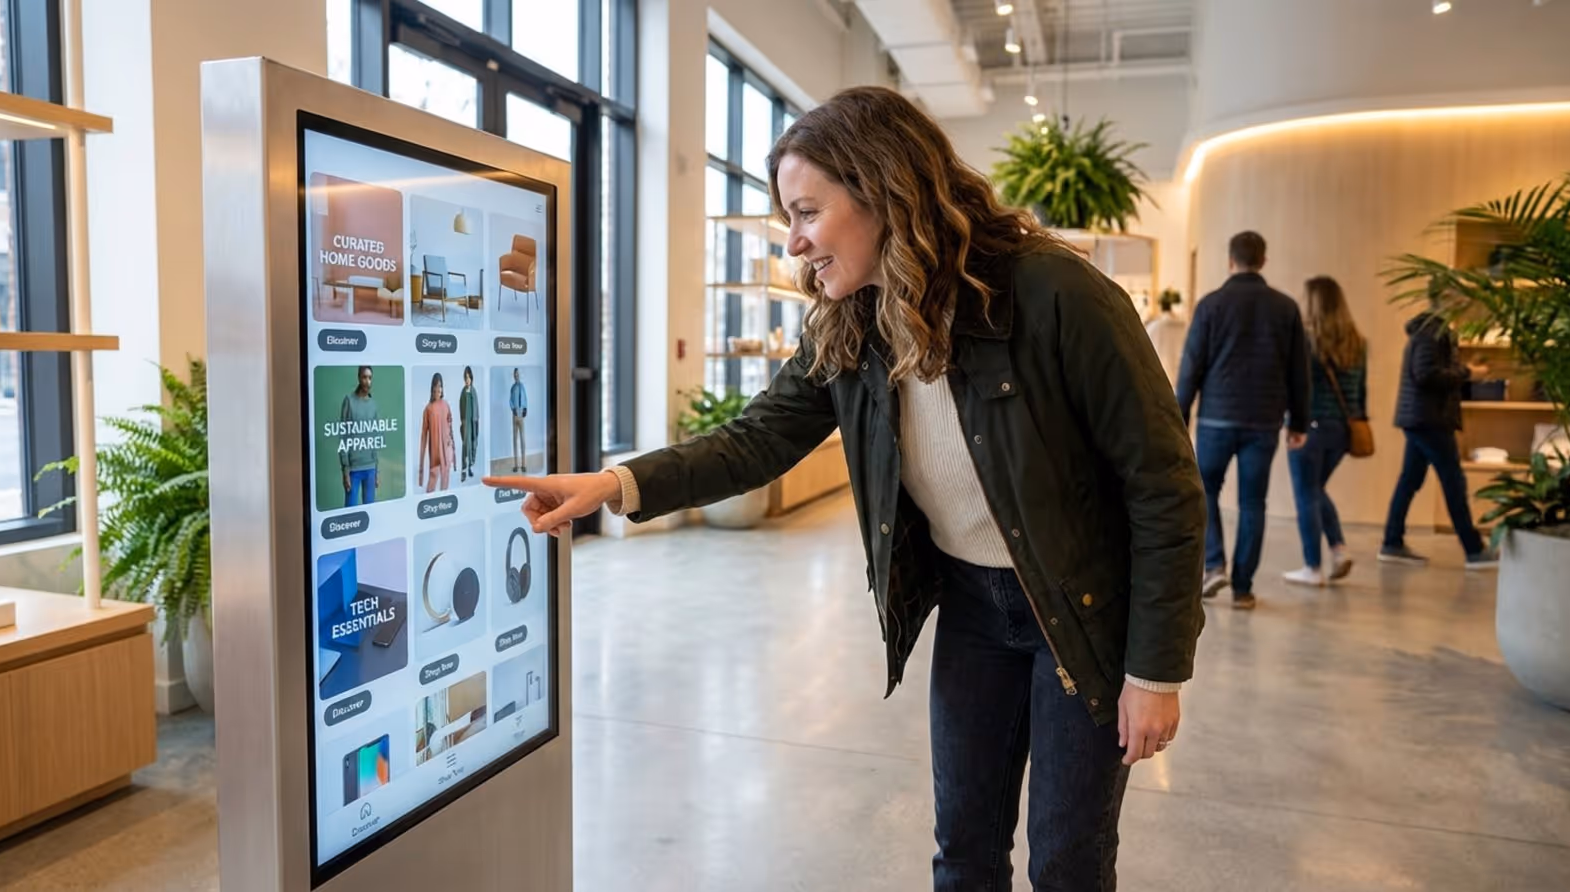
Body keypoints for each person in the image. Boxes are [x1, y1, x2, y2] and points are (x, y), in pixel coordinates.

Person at [485, 86, 1206, 890]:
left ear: (881, 188)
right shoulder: (852, 325)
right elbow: (756, 439)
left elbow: (1163, 486)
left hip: (1081, 613)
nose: (792, 241)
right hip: (974, 611)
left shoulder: (1053, 294)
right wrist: (616, 482)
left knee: (1067, 863)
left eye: (805, 212)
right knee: (963, 851)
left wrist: (1156, 671)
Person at [1176, 231, 1310, 610]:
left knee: (1205, 491)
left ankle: (1214, 564)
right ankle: (1243, 588)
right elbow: (1299, 372)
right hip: (1263, 423)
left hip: (1216, 418)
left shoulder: (1211, 305)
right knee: (1253, 502)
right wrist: (1298, 422)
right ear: (1263, 260)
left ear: (1230, 261)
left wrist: (1178, 418)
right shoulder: (1285, 308)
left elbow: (1191, 367)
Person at [1379, 288, 1499, 569]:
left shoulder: (1432, 330)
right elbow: (1425, 374)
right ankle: (1473, 550)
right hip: (1429, 420)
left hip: (1422, 418)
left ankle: (1391, 542)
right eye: (1459, 295)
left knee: (1410, 480)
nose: (1465, 301)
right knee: (1453, 482)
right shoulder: (1431, 331)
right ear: (1445, 298)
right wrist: (1469, 373)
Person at [1283, 276, 1366, 587]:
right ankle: (1339, 549)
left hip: (1309, 427)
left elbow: (1297, 385)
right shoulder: (1358, 341)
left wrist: (1292, 422)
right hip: (1343, 431)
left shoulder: (1306, 341)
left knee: (1306, 494)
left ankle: (1312, 567)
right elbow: (1361, 390)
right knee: (1316, 490)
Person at [339, 365, 380, 507]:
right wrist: (345, 471)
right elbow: (343, 437)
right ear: (359, 378)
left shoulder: (373, 404)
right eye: (364, 377)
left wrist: (376, 470)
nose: (367, 381)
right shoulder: (348, 401)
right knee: (350, 514)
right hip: (353, 469)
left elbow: (374, 437)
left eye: (370, 378)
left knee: (370, 512)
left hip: (370, 468)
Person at [417, 372, 455, 493]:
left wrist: (454, 452)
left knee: (445, 479)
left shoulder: (446, 405)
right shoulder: (428, 409)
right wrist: (421, 467)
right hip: (435, 453)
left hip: (447, 450)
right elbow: (423, 437)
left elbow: (451, 428)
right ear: (432, 388)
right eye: (435, 386)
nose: (438, 389)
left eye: (440, 386)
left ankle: (444, 503)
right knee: (432, 481)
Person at [459, 366, 479, 480]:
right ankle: (463, 469)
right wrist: (462, 421)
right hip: (466, 423)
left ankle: (470, 467)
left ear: (471, 378)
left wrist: (476, 421)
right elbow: (461, 407)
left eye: (469, 377)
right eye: (465, 377)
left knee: (472, 444)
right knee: (465, 445)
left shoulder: (473, 391)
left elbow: (476, 407)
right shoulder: (463, 392)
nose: (467, 380)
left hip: (473, 422)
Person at [509, 368, 528, 473]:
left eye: (517, 374)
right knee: (515, 440)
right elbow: (510, 400)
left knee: (522, 440)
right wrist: (512, 409)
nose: (516, 376)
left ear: (519, 375)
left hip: (521, 414)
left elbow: (525, 398)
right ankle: (516, 465)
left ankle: (523, 464)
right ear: (514, 376)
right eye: (515, 374)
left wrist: (525, 408)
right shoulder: (513, 388)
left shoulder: (522, 387)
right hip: (515, 415)